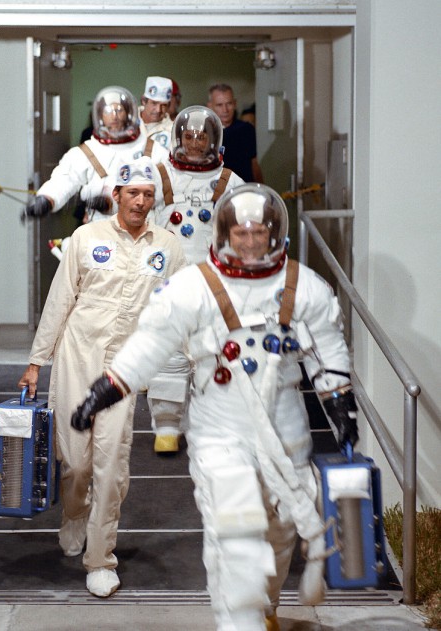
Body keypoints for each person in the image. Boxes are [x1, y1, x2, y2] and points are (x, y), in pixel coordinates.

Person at [70, 183, 359, 630]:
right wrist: (107, 388)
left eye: (257, 232)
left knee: (279, 531)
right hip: (220, 427)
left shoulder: (303, 287)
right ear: (224, 235)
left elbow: (331, 349)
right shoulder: (194, 286)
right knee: (236, 527)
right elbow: (150, 345)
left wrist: (340, 405)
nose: (248, 241)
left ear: (273, 234)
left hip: (285, 427)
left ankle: (265, 607)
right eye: (239, 234)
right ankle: (237, 620)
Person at [18, 157, 187, 599]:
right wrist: (37, 361)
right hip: (77, 357)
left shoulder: (168, 247)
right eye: (133, 193)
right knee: (76, 462)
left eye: (148, 195)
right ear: (116, 196)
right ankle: (75, 512)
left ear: (154, 201)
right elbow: (59, 300)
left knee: (112, 465)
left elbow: (184, 310)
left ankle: (100, 559)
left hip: (123, 371)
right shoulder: (85, 237)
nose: (140, 202)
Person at [148, 105, 244, 453]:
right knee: (169, 360)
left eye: (201, 136)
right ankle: (167, 427)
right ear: (178, 138)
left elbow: (245, 228)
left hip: (212, 285)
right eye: (188, 136)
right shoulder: (159, 175)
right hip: (167, 283)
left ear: (213, 141)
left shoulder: (229, 181)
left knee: (210, 358)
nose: (193, 142)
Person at [24, 85, 168, 222]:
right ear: (100, 115)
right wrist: (47, 199)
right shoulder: (87, 152)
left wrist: (111, 202)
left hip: (144, 229)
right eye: (108, 111)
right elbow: (64, 179)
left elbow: (165, 191)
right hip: (100, 231)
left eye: (119, 110)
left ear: (128, 113)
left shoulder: (152, 150)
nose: (115, 116)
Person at [207, 84, 263, 184]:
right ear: (210, 106)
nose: (225, 110)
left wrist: (262, 190)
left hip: (244, 191)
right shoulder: (203, 134)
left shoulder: (246, 129)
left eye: (229, 104)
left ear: (235, 104)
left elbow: (254, 163)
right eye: (219, 105)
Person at [138, 76, 174, 150]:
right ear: (143, 101)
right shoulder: (127, 121)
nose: (158, 110)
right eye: (154, 103)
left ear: (169, 106)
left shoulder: (172, 130)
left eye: (164, 105)